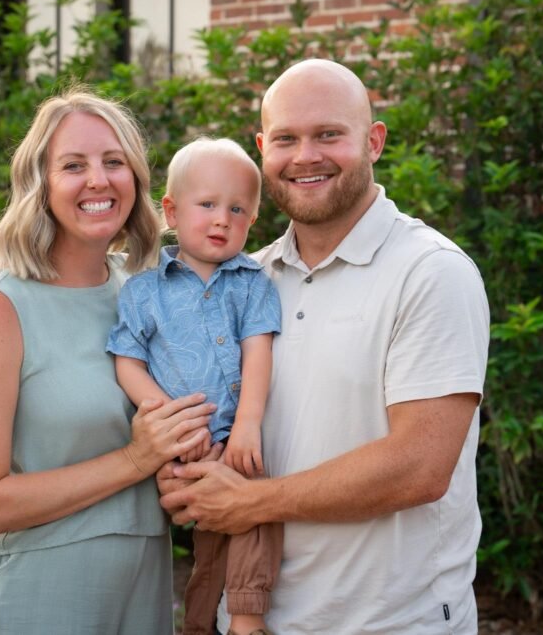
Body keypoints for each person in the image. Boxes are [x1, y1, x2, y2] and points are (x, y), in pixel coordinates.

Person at [159, 59, 491, 634]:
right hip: (250, 619)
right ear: (263, 150)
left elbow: (420, 467)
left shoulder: (430, 272)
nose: (305, 156)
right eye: (286, 138)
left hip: (389, 622)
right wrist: (185, 475)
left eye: (328, 135)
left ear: (374, 141)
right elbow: (211, 422)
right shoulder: (245, 282)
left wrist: (252, 503)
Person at [0, 89, 215, 635]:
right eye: (73, 165)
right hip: (32, 597)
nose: (99, 179)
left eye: (114, 162)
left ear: (136, 179)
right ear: (40, 185)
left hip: (140, 593)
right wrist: (138, 459)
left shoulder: (143, 292)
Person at [106, 138, 283, 635]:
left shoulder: (253, 283)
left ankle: (241, 618)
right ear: (171, 211)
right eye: (207, 205)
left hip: (235, 440)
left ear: (252, 221)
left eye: (237, 209)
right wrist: (171, 419)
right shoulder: (144, 290)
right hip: (182, 439)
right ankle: (207, 621)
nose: (222, 219)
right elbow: (127, 362)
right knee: (214, 530)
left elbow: (258, 353)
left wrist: (247, 426)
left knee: (250, 510)